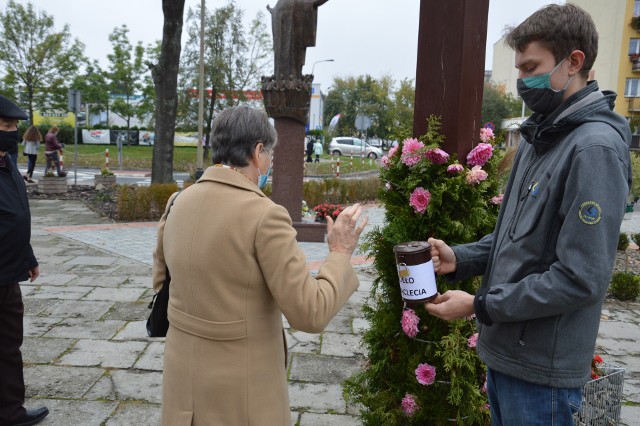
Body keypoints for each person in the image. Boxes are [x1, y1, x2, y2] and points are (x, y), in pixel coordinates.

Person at [424, 4, 632, 425]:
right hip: (510, 359)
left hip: (544, 376)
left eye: (531, 67)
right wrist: (460, 259)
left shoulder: (593, 149)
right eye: (519, 69)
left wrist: (480, 305)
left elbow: (580, 278)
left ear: (574, 62)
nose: (521, 81)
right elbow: (515, 238)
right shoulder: (541, 138)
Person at [153, 105, 368, 425]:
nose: (269, 163)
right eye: (269, 154)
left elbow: (161, 283)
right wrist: (339, 252)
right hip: (242, 395)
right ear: (257, 152)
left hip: (183, 384)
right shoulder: (265, 215)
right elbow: (310, 311)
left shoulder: (177, 202)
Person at [0, 95, 49, 425]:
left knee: (7, 347)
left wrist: (28, 256)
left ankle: (10, 412)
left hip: (9, 273)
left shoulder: (7, 165)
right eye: (5, 126)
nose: (13, 132)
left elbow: (17, 215)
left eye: (15, 126)